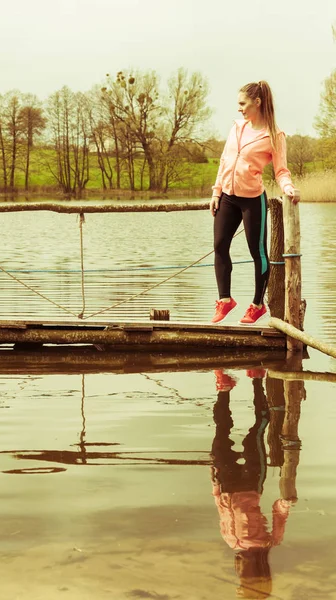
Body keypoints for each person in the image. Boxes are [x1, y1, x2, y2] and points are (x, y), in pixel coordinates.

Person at [210, 81, 300, 325]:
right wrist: (216, 192)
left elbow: (281, 171)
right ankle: (225, 299)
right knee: (219, 246)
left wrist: (288, 188)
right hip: (227, 197)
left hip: (252, 200)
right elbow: (223, 161)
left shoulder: (274, 135)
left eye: (242, 103)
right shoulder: (237, 127)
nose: (239, 109)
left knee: (257, 252)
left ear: (257, 102)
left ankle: (257, 305)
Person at [211, 369, 292, 598]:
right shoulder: (269, 542)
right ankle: (257, 380)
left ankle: (224, 389)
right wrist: (286, 502)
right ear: (258, 571)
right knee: (257, 429)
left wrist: (215, 486)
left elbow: (222, 512)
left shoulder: (230, 542)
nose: (242, 572)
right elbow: (279, 514)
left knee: (221, 433)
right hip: (250, 483)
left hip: (226, 484)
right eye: (247, 578)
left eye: (242, 578)